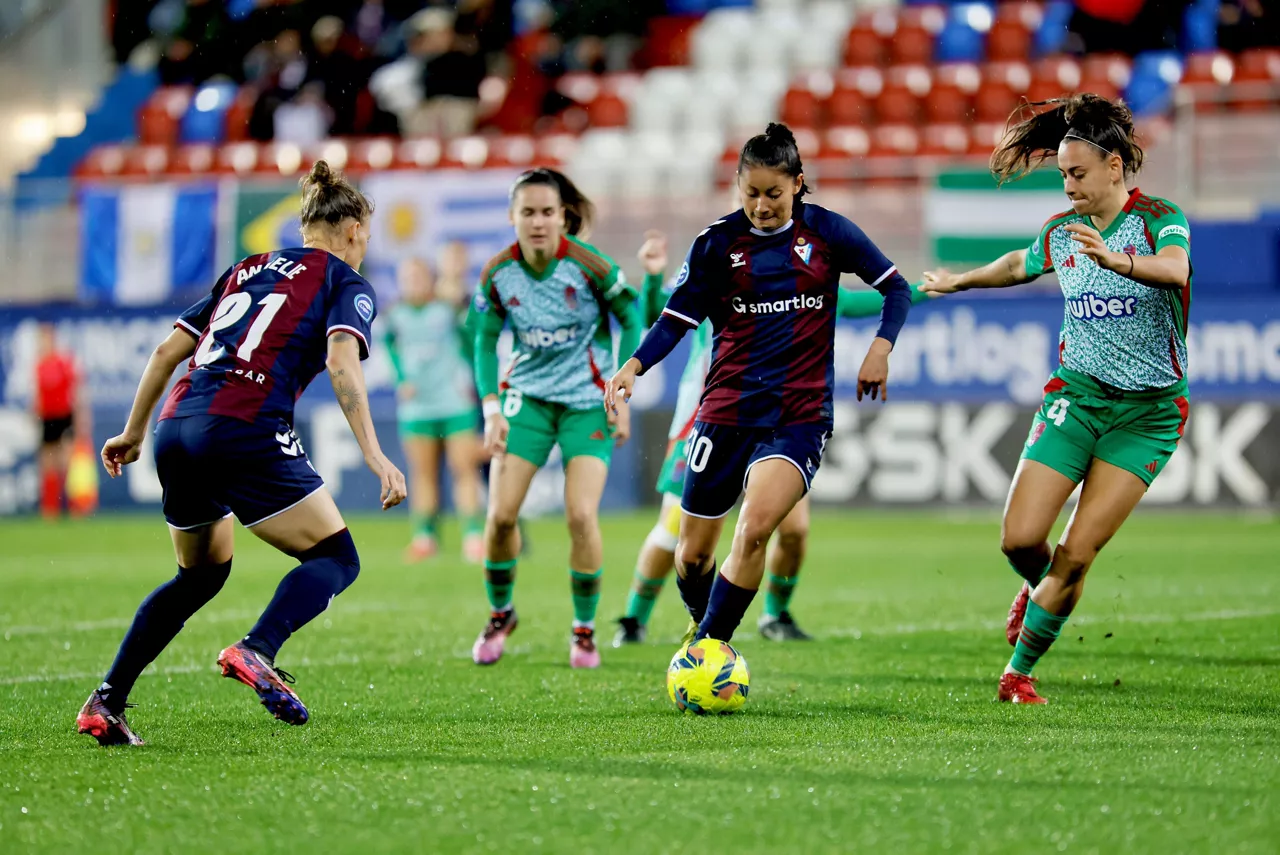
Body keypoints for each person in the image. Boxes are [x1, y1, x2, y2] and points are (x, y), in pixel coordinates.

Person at [77, 161, 406, 746]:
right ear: (355, 229)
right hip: (245, 425)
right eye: (367, 235)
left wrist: (132, 432)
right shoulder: (345, 282)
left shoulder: (245, 268)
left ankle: (106, 701)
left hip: (177, 424)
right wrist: (376, 455)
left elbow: (165, 352)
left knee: (199, 575)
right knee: (336, 558)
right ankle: (258, 648)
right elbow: (340, 362)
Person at [921, 94, 1193, 704]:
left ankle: (1017, 673)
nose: (1068, 186)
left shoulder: (1159, 218)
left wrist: (1117, 260)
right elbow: (1018, 264)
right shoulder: (1061, 233)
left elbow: (1175, 270)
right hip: (1076, 397)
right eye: (1063, 175)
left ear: (1115, 167)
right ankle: (1041, 589)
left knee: (1076, 554)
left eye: (1078, 174)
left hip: (1147, 417)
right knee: (1019, 540)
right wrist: (960, 281)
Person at [605, 123, 913, 652]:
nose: (762, 206)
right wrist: (635, 364)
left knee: (752, 532)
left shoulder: (829, 233)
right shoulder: (716, 243)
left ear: (798, 183)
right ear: (737, 186)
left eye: (774, 193)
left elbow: (895, 288)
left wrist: (881, 349)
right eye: (751, 193)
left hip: (797, 416)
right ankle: (701, 625)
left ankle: (710, 647)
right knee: (691, 555)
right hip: (725, 411)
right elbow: (676, 319)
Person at [470, 168, 641, 669]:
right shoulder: (498, 272)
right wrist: (491, 408)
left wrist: (622, 390)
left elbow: (632, 318)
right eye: (528, 212)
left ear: (564, 216)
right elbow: (483, 340)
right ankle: (501, 614)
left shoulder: (591, 266)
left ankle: (583, 631)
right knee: (500, 517)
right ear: (512, 217)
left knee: (581, 515)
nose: (538, 221)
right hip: (527, 399)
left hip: (587, 402)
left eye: (547, 212)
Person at [384, 245, 485, 563]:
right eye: (407, 278)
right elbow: (390, 350)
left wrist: (474, 385)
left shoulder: (449, 310)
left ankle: (473, 536)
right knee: (423, 474)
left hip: (455, 403)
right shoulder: (394, 316)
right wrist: (402, 379)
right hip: (417, 407)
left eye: (419, 277)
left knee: (464, 469)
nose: (413, 283)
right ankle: (425, 537)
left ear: (431, 279)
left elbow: (473, 344)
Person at [32, 323, 84, 519]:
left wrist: (80, 418)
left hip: (63, 416)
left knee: (66, 463)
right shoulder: (39, 365)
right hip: (47, 418)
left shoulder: (64, 362)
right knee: (47, 464)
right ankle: (50, 508)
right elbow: (37, 394)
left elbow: (75, 392)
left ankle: (72, 506)